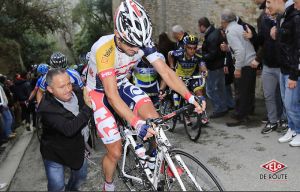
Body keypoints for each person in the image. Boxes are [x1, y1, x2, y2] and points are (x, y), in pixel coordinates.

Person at [85, 0, 205, 190]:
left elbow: (166, 72)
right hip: (100, 92)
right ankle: (108, 186)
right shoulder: (104, 49)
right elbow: (112, 95)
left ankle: (153, 163)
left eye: (139, 45)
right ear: (118, 34)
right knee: (115, 152)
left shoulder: (142, 42)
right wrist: (136, 122)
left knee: (154, 121)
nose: (136, 50)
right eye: (131, 44)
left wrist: (190, 97)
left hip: (122, 83)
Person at [38, 68, 93, 191]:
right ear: (50, 89)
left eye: (69, 83)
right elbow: (69, 129)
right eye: (62, 87)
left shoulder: (77, 92)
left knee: (81, 177)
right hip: (54, 153)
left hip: (77, 147)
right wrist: (88, 108)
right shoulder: (46, 109)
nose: (68, 89)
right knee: (57, 186)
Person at [267, 0, 300, 146]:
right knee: (286, 103)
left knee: (291, 104)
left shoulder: (296, 17)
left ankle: (299, 131)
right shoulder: (282, 17)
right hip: (283, 69)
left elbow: (298, 49)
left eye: (269, 2)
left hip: (293, 71)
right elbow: (284, 44)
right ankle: (292, 129)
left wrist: (294, 74)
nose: (267, 6)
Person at [221, 9, 257, 127]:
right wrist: (228, 49)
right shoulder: (239, 27)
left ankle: (240, 116)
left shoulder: (230, 31)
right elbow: (241, 46)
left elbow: (240, 50)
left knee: (241, 92)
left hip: (245, 64)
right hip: (250, 62)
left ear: (224, 21)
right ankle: (247, 113)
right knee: (248, 91)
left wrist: (237, 68)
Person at [198, 17, 228, 118]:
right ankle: (224, 106)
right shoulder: (215, 32)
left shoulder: (211, 36)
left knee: (210, 90)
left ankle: (219, 108)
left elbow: (212, 54)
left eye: (199, 27)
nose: (198, 29)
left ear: (202, 26)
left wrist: (201, 56)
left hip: (213, 66)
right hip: (219, 65)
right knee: (221, 88)